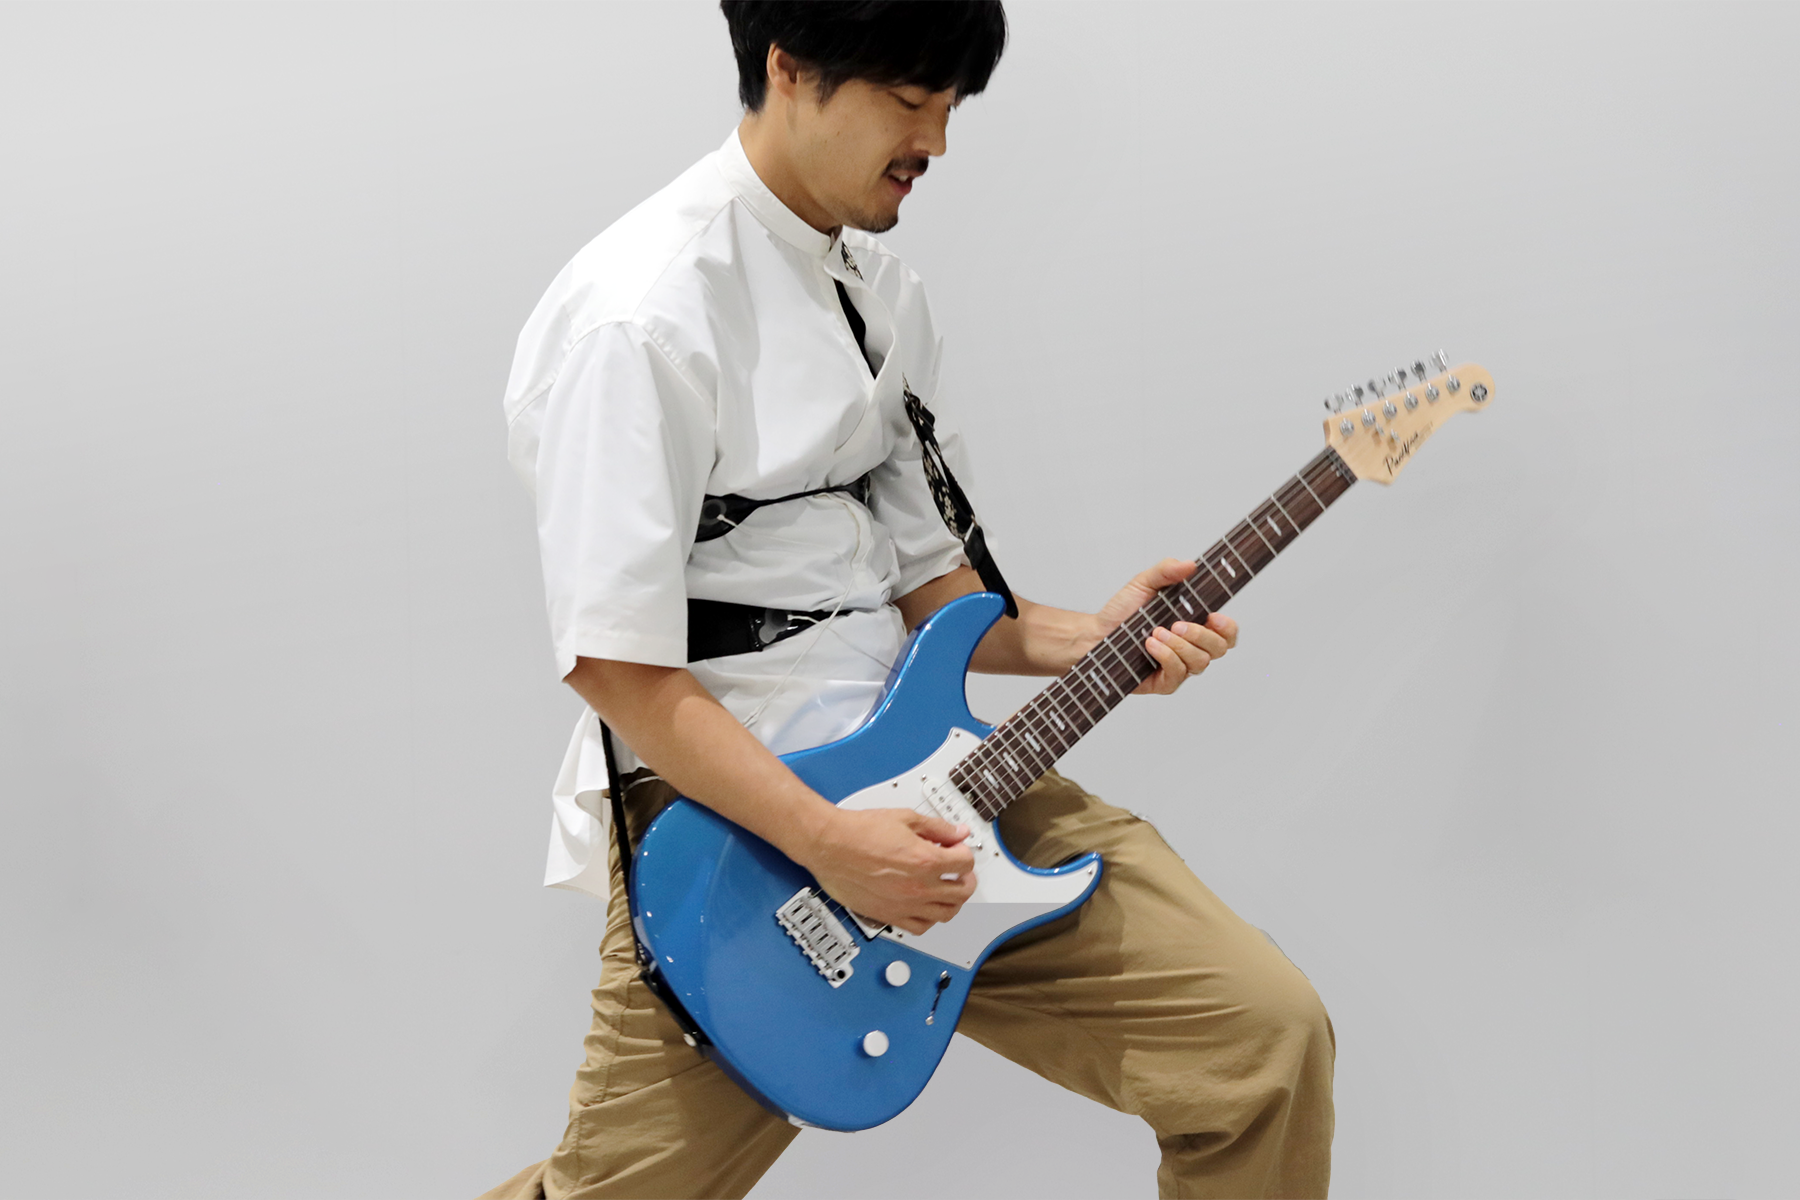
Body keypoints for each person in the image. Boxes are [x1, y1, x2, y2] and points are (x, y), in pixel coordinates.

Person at [483, 4, 1333, 1197]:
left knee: (1261, 1040)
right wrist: (830, 844)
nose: (934, 143)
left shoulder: (881, 294)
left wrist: (1101, 638)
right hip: (750, 838)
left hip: (949, 781)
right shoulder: (639, 315)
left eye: (951, 107)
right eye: (909, 101)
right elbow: (616, 667)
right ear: (790, 68)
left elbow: (939, 592)